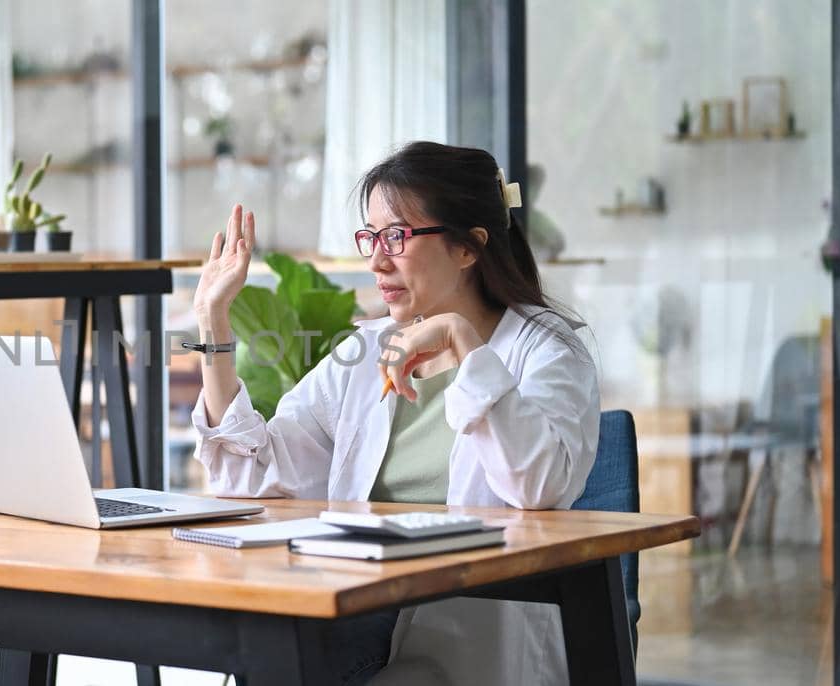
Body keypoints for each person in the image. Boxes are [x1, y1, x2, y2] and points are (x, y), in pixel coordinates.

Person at [189, 141, 600, 685]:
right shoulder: (364, 353)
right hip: (357, 606)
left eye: (398, 237)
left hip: (468, 628)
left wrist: (463, 345)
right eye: (372, 237)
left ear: (468, 247)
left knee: (283, 655)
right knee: (266, 643)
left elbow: (539, 486)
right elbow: (250, 479)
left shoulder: (546, 351)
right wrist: (213, 324)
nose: (377, 260)